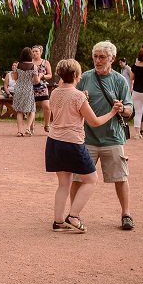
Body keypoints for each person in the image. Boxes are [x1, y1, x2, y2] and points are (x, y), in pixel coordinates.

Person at [47, 59, 123, 233]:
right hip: (72, 142)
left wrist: (82, 97)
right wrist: (112, 112)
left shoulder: (55, 93)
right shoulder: (78, 96)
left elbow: (67, 102)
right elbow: (94, 121)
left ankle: (58, 221)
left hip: (54, 142)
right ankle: (73, 216)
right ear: (75, 75)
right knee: (91, 179)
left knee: (63, 184)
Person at [72, 40, 135, 230]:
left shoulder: (119, 80)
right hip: (87, 138)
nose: (98, 61)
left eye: (102, 57)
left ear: (112, 58)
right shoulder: (84, 78)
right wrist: (79, 97)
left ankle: (126, 214)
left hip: (112, 137)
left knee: (120, 177)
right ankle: (73, 215)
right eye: (95, 57)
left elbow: (130, 109)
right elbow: (71, 100)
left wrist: (122, 108)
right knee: (77, 177)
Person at [11, 47, 40, 136]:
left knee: (20, 111)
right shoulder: (33, 66)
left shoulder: (18, 65)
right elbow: (36, 81)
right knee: (31, 110)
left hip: (19, 88)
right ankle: (28, 128)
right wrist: (40, 76)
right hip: (28, 88)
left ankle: (19, 131)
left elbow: (15, 78)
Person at [32, 44, 52, 132]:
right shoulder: (30, 63)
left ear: (41, 52)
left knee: (47, 106)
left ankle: (47, 125)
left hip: (42, 87)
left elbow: (50, 75)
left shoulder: (45, 62)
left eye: (36, 51)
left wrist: (43, 76)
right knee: (31, 108)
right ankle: (31, 126)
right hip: (31, 87)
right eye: (33, 51)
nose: (34, 53)